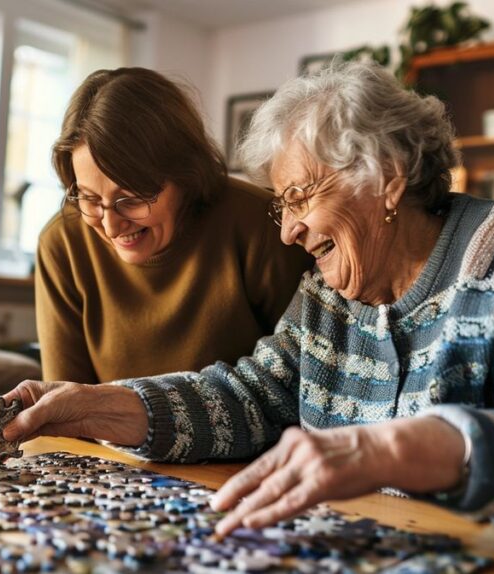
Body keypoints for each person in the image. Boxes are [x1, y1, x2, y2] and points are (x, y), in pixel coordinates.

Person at [0, 61, 494, 549]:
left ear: (387, 179)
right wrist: (100, 405)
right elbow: (250, 397)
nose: (284, 231)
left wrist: (402, 447)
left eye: (299, 198)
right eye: (279, 205)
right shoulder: (330, 296)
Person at [36, 67, 312, 384]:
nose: (111, 226)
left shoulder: (263, 225)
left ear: (185, 174)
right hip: (102, 436)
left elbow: (303, 384)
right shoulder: (63, 243)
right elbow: (64, 402)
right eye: (89, 198)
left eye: (131, 198)